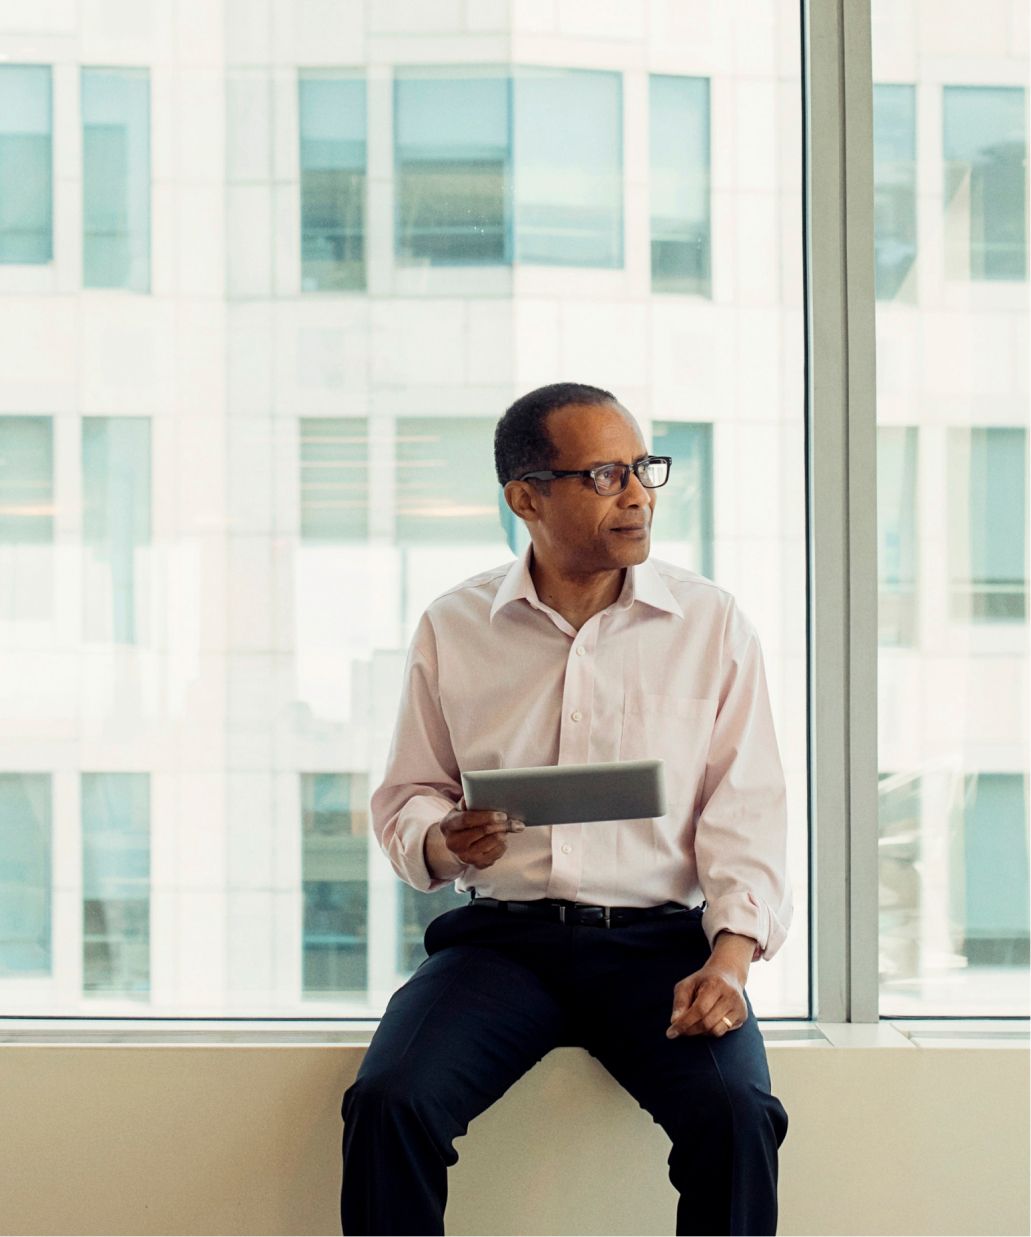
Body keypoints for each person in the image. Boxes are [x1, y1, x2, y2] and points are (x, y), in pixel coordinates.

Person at [340, 381, 793, 1236]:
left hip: (659, 945)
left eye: (642, 468)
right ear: (525, 496)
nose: (637, 493)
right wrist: (440, 839)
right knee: (387, 1100)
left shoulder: (710, 623)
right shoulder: (455, 624)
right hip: (502, 948)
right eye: (604, 474)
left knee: (737, 1118)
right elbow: (408, 795)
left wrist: (729, 960)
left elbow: (748, 812)